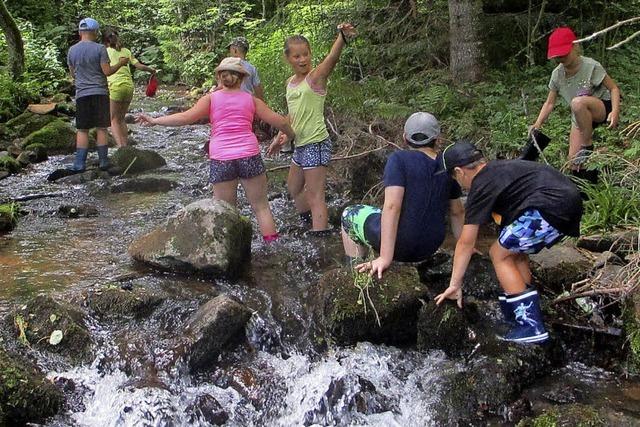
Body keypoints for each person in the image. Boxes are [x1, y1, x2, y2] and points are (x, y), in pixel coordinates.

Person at [434, 141, 583, 344]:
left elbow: (465, 243)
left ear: (460, 172)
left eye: (453, 177)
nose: (458, 184)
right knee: (514, 252)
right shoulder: (498, 169)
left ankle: (530, 326)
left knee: (498, 254)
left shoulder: (481, 184)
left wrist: (454, 284)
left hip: (549, 206)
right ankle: (521, 311)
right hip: (567, 204)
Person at [136, 57, 295, 243]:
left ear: (219, 77)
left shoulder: (210, 99)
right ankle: (272, 246)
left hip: (221, 158)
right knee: (261, 208)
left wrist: (155, 121)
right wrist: (290, 136)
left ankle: (230, 253)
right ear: (243, 79)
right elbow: (282, 122)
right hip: (249, 155)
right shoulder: (251, 100)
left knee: (225, 212)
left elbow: (185, 118)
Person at [341, 113, 466, 278]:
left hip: (402, 245)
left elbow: (393, 206)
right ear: (437, 138)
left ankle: (354, 274)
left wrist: (386, 257)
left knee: (349, 213)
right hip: (430, 245)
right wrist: (465, 248)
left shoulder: (399, 159)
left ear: (405, 137)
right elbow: (457, 212)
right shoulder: (446, 164)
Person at [268, 23, 357, 233]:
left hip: (316, 143)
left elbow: (331, 60)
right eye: (297, 56)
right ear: (288, 59)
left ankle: (320, 237)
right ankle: (308, 223)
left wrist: (341, 38)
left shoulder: (315, 78)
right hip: (300, 144)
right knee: (294, 187)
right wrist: (280, 136)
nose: (302, 59)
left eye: (305, 54)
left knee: (315, 195)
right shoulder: (290, 82)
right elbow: (292, 114)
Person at [530, 27, 621, 184]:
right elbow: (549, 103)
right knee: (574, 160)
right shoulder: (557, 75)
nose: (561, 59)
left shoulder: (591, 66)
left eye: (564, 54)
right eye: (557, 57)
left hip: (600, 108)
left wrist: (615, 112)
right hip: (579, 115)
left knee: (578, 102)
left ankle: (587, 144)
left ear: (575, 47)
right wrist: (537, 124)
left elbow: (614, 88)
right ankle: (587, 193)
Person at [67, 18, 129, 173]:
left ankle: (79, 164)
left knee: (82, 130)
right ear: (95, 32)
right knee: (101, 128)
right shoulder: (100, 49)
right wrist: (121, 64)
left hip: (82, 94)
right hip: (100, 93)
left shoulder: (72, 50)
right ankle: (103, 161)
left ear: (80, 32)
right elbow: (107, 72)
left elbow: (73, 74)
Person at [103, 29, 156, 147]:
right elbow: (139, 66)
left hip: (116, 86)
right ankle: (126, 144)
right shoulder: (126, 51)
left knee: (113, 120)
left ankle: (121, 147)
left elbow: (103, 70)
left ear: (105, 41)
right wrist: (151, 70)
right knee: (121, 118)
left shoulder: (104, 52)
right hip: (129, 87)